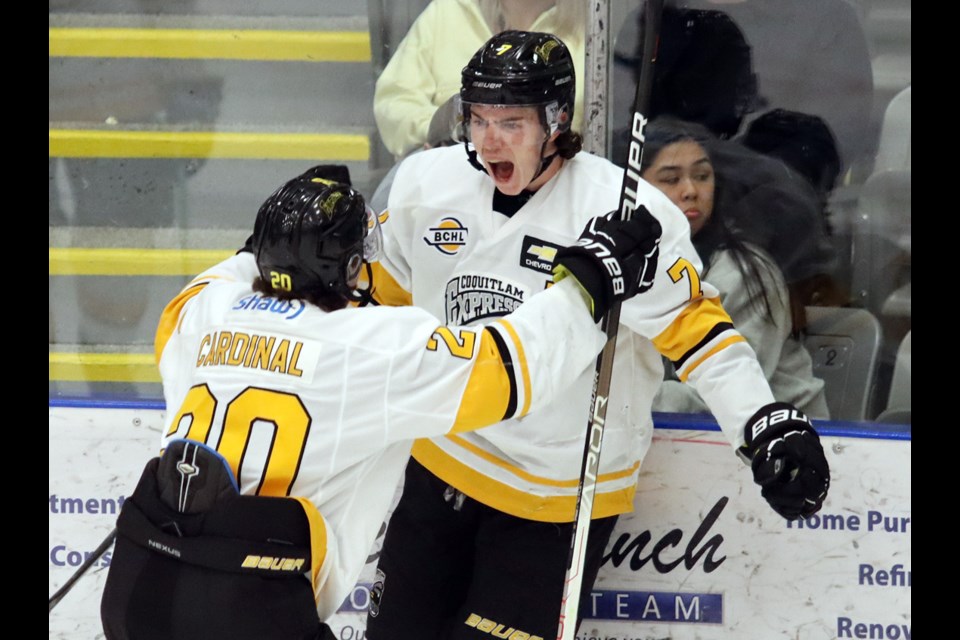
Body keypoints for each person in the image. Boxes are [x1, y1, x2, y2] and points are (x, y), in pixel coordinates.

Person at [364, 30, 830, 639]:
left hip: (557, 497)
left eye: (510, 122)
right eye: (476, 119)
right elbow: (376, 307)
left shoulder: (626, 215)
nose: (487, 140)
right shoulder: (425, 185)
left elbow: (698, 335)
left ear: (557, 120)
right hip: (437, 467)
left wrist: (762, 423)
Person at [98, 164, 661, 640]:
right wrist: (587, 279)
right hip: (249, 610)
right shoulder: (367, 348)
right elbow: (510, 369)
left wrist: (290, 228)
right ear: (346, 268)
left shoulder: (200, 310)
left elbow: (236, 267)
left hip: (137, 588)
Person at [639, 117, 830, 418]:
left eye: (702, 175)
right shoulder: (630, 266)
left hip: (793, 449)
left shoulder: (745, 272)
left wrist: (613, 398)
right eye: (671, 179)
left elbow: (718, 395)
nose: (690, 191)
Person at [372, 0, 586, 159]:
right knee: (394, 189)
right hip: (454, 174)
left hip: (556, 182)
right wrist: (450, 131)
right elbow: (394, 101)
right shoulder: (448, 12)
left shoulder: (592, 27)